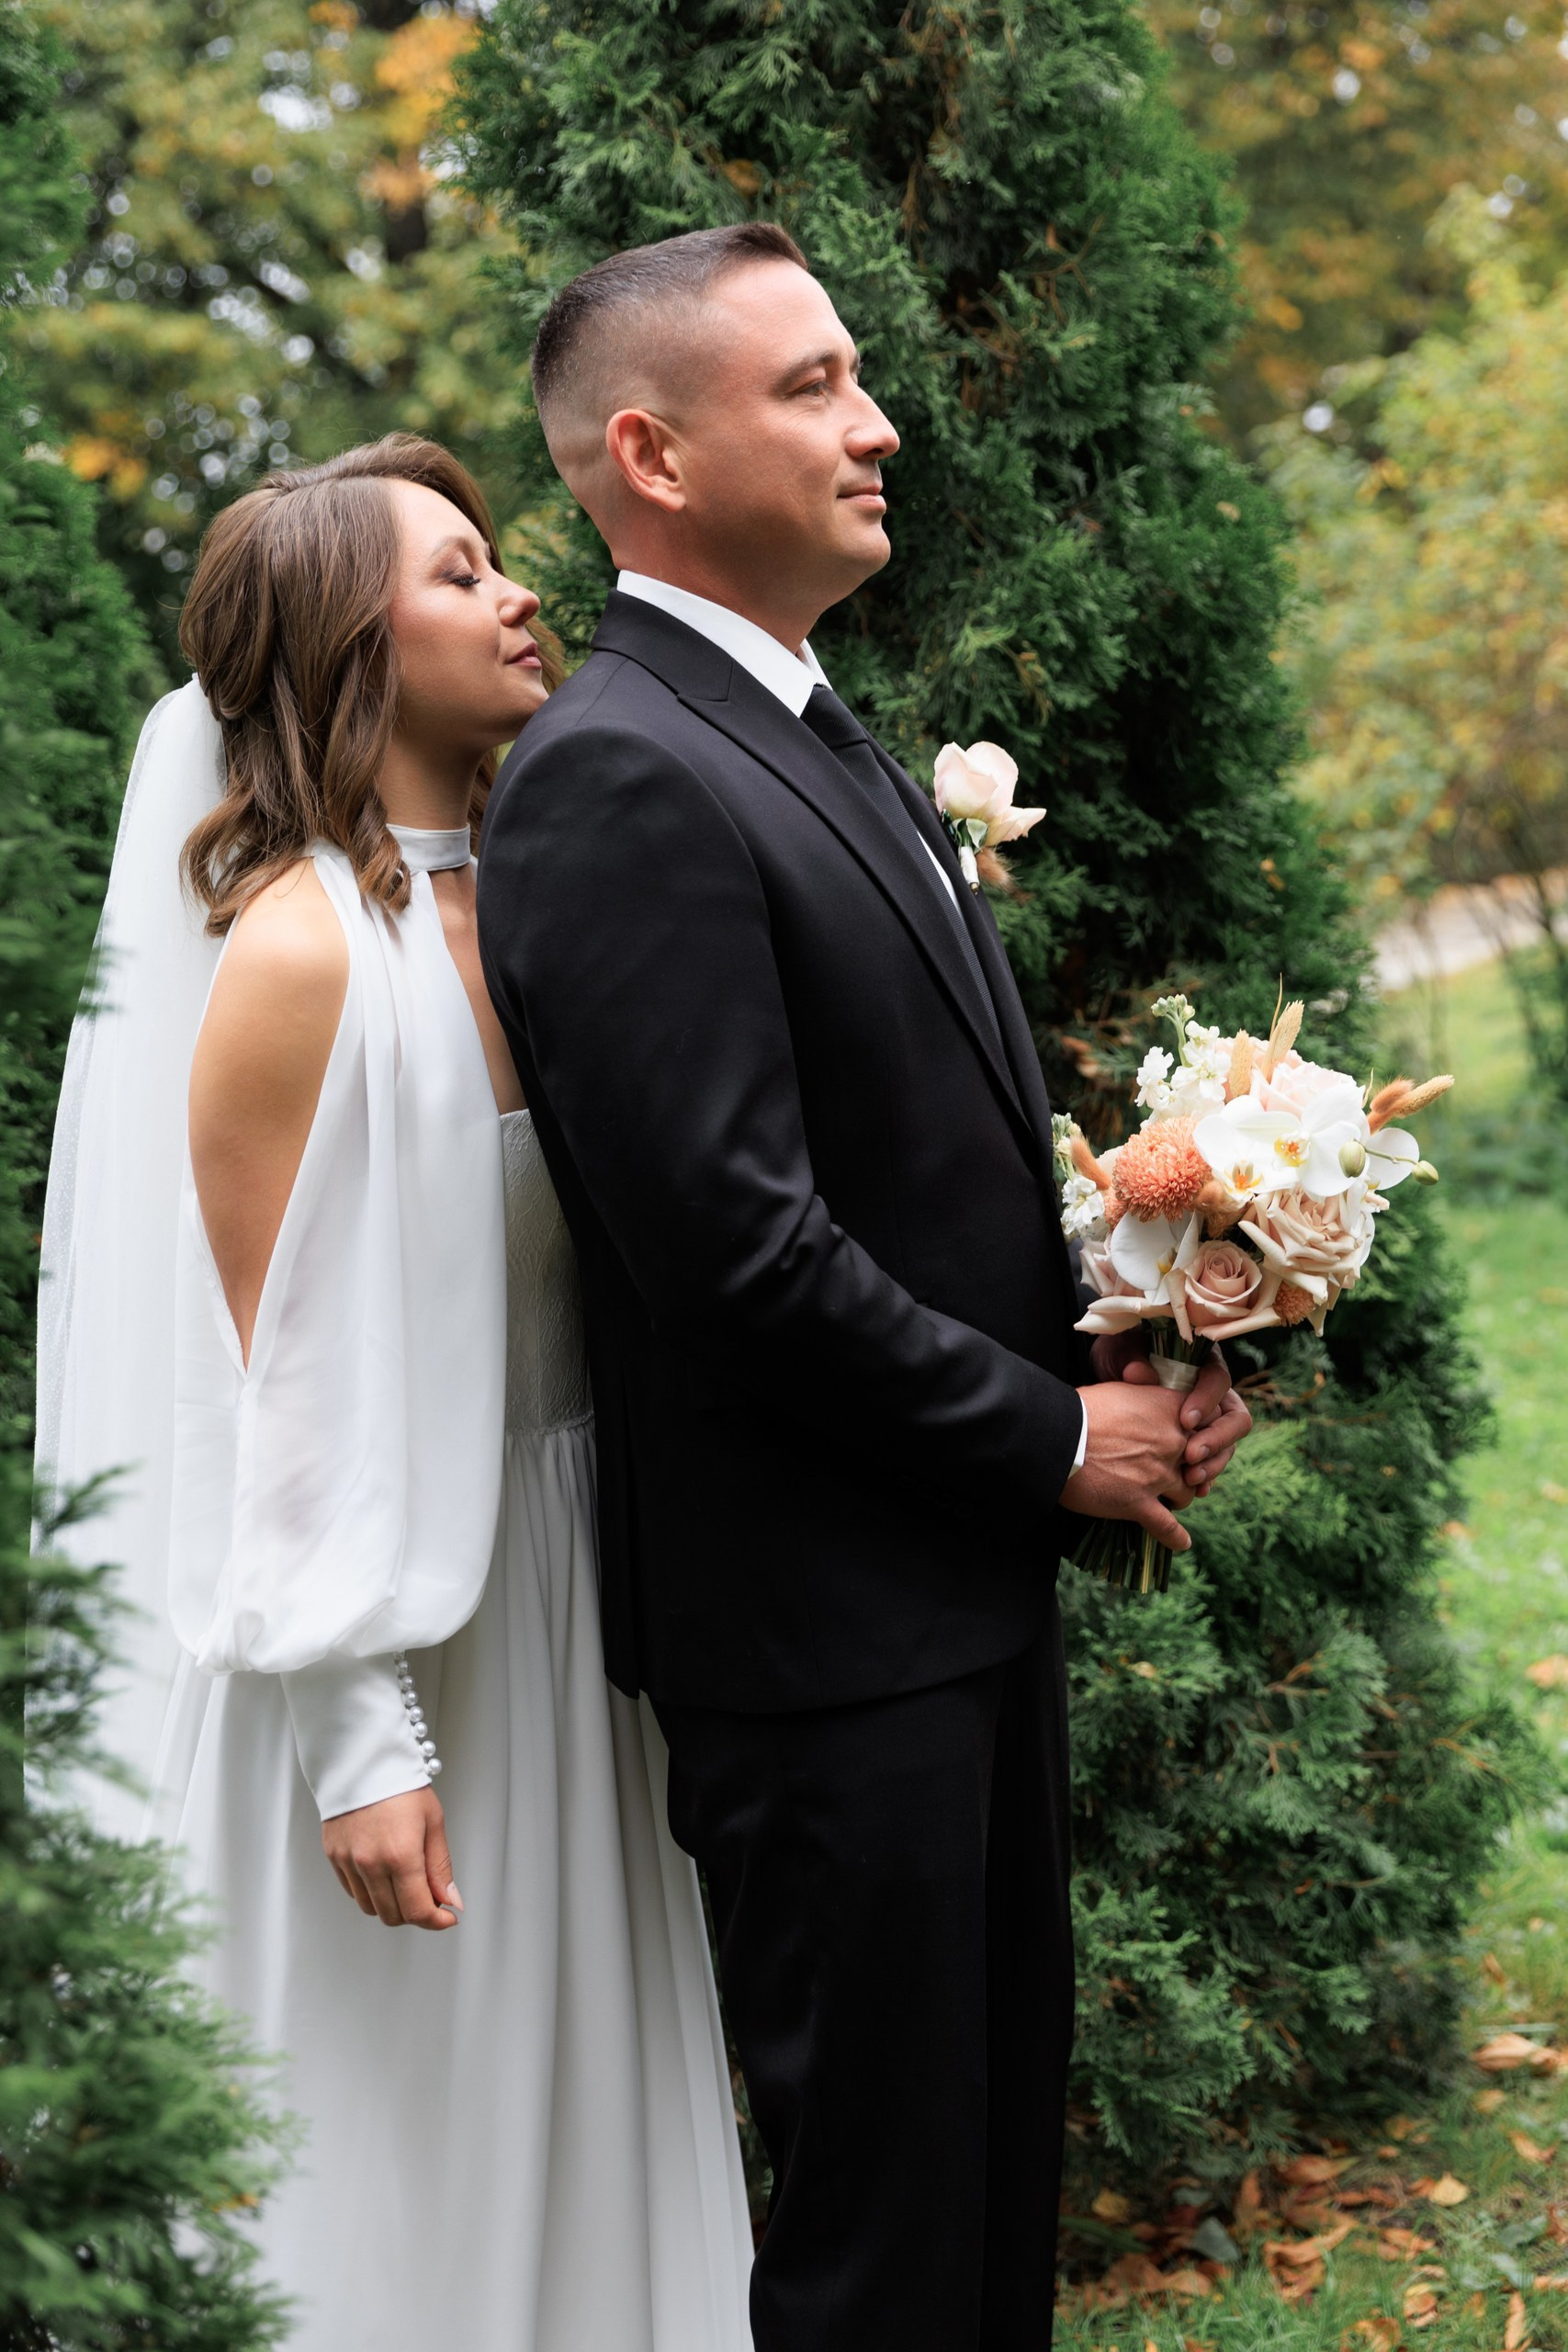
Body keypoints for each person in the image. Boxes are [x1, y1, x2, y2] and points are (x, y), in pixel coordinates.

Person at [478, 226, 1254, 2351]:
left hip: (944, 1593)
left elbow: (897, 1173)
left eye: (856, 376)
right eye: (811, 384)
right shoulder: (621, 771)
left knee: (981, 2204)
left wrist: (1137, 1324)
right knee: (884, 2252)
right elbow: (732, 1250)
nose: (876, 422)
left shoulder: (803, 727)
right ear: (651, 453)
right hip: (820, 1642)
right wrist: (1047, 1434)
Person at [36, 435, 753, 2352]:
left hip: (564, 1594)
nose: (517, 594)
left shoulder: (528, 898)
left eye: (493, 557)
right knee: (390, 2147)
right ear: (352, 648)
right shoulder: (296, 954)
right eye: (457, 573)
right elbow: (252, 1375)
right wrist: (361, 1736)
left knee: (570, 2105)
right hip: (380, 1630)